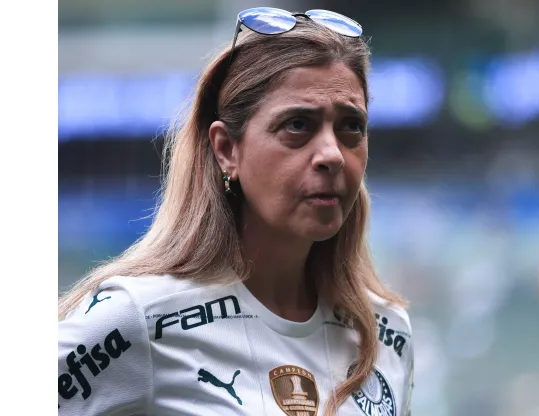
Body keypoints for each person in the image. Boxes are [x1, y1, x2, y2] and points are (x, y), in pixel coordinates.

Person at [58, 7, 413, 416]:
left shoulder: (387, 330)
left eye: (351, 126)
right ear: (227, 149)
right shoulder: (141, 317)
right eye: (298, 125)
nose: (332, 154)